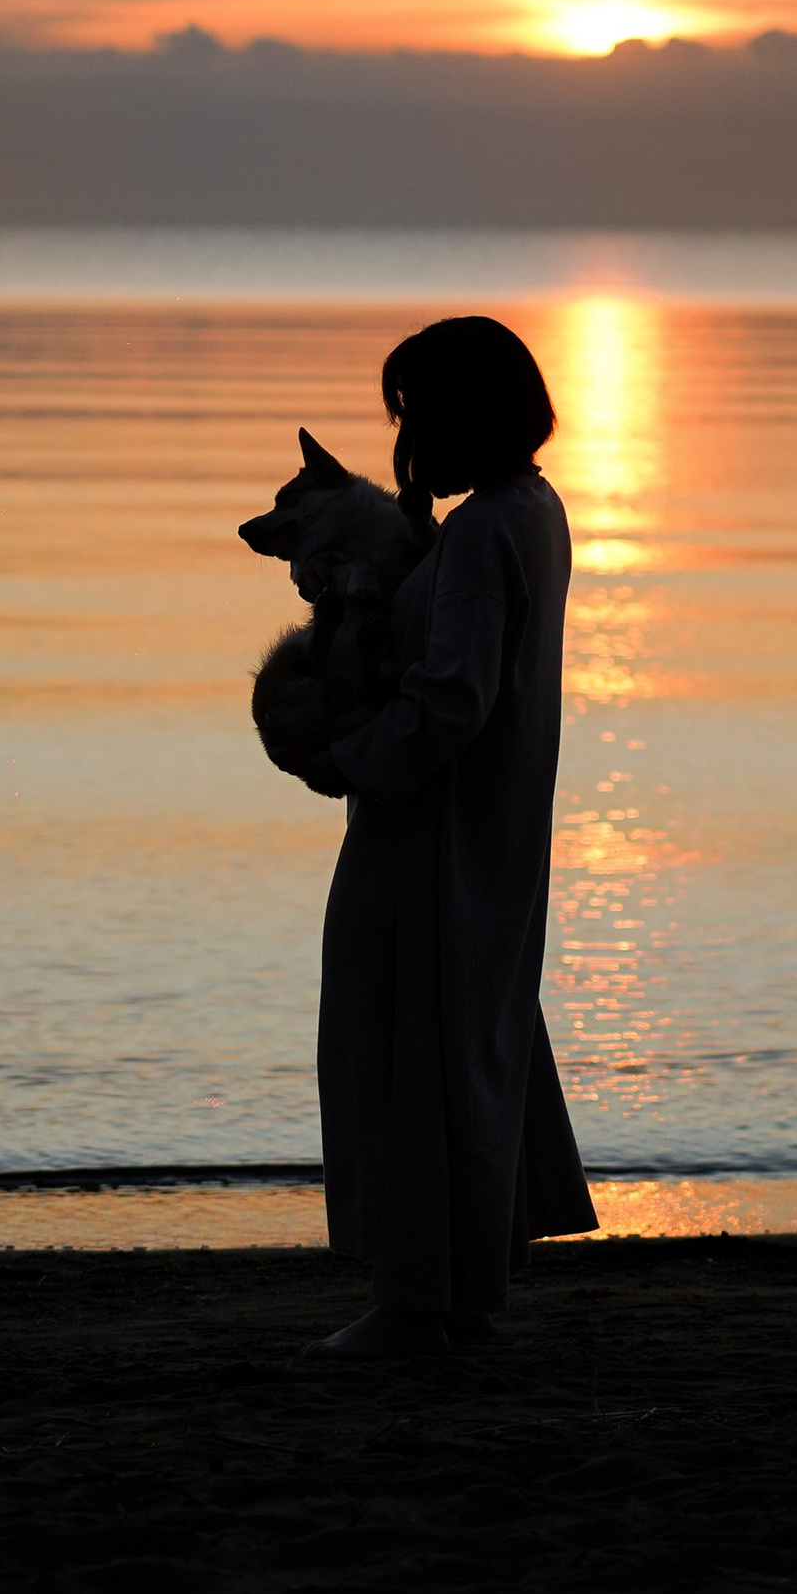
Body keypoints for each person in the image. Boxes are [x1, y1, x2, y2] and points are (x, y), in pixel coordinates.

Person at [306, 313, 598, 1357]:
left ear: (458, 416)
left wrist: (349, 758)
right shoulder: (530, 510)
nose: (403, 434)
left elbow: (451, 698)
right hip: (491, 831)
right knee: (469, 1042)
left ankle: (411, 1306)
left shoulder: (483, 532)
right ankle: (457, 1292)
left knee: (407, 1047)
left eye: (413, 413)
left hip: (433, 838)